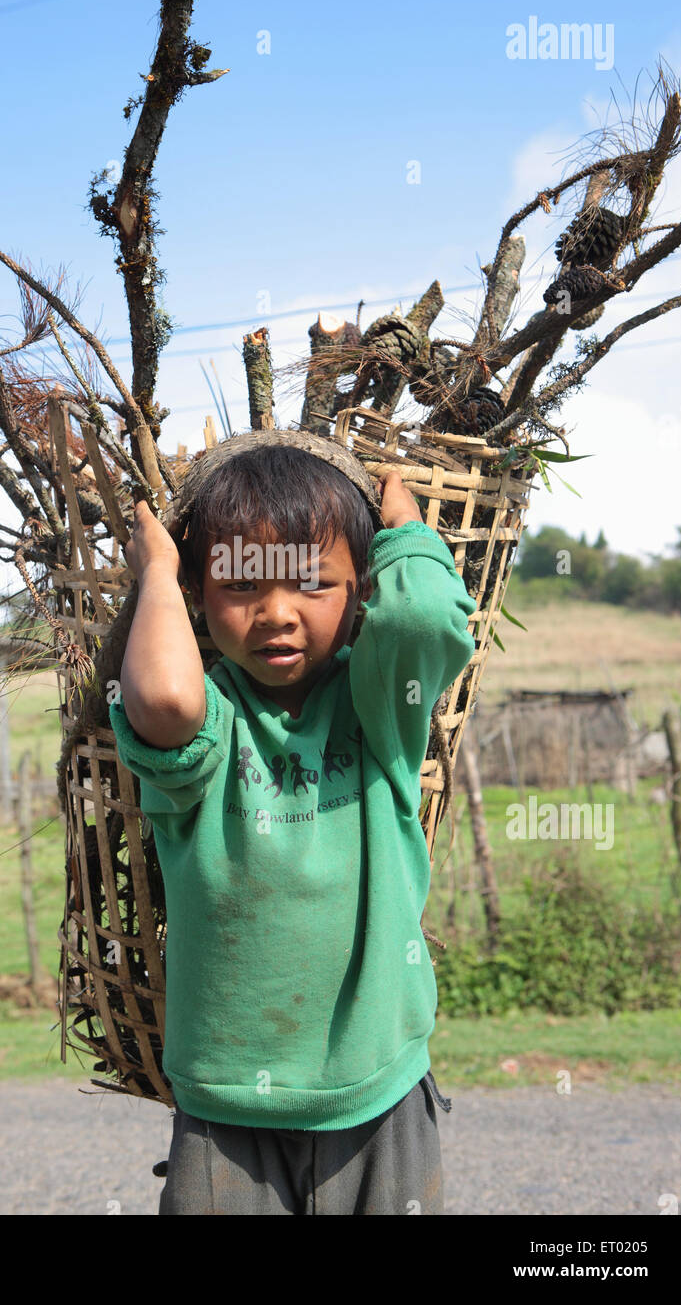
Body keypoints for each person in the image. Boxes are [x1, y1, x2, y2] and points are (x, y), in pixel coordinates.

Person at [109, 443, 478, 1214]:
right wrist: (155, 573)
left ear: (361, 587)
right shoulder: (213, 726)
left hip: (379, 1090)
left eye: (312, 581)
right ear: (200, 596)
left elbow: (420, 616)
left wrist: (403, 525)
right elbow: (165, 700)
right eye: (239, 585)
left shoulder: (378, 709)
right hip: (225, 1108)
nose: (277, 611)